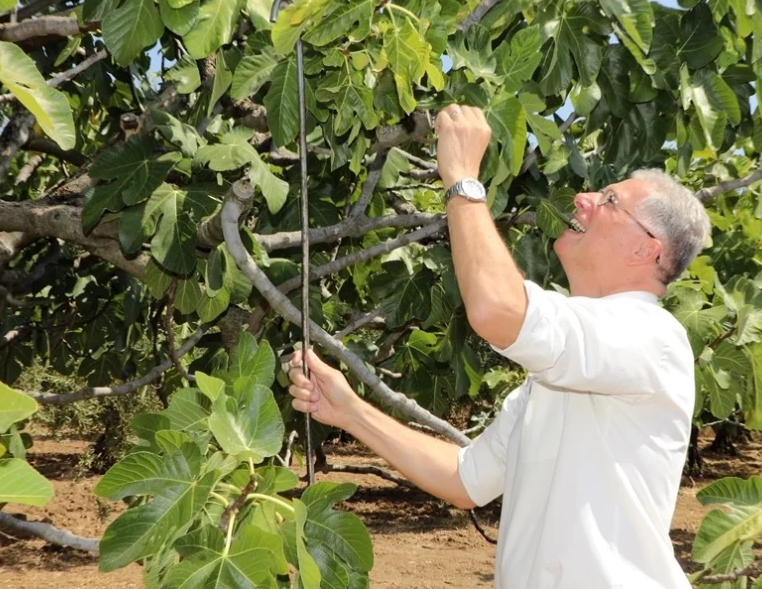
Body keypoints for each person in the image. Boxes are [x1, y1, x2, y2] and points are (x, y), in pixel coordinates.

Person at [287, 104, 711, 588]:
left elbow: (496, 310)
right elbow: (466, 480)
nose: (584, 197)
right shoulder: (564, 370)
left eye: (610, 199)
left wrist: (464, 178)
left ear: (646, 249)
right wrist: (349, 412)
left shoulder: (649, 336)